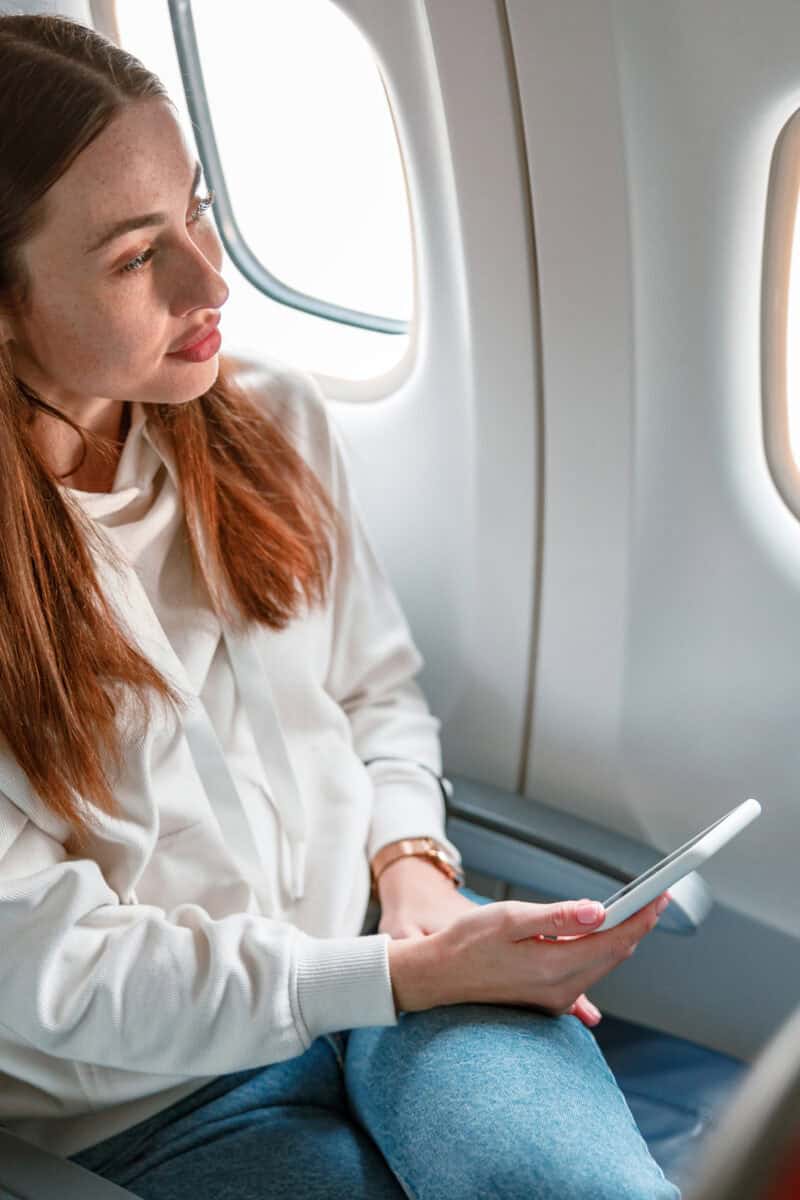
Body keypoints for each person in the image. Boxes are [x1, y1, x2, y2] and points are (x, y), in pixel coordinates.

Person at [0, 13, 679, 1200]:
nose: (210, 276)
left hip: (397, 962)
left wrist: (415, 871)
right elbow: (52, 966)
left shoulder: (269, 418)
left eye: (200, 209)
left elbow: (372, 694)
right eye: (132, 256)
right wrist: (387, 974)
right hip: (148, 1099)